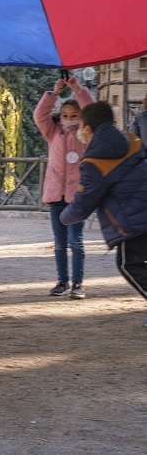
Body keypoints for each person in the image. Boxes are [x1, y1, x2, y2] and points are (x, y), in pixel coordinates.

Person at [60, 101, 147, 327]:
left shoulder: (94, 162)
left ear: (87, 129)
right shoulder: (132, 140)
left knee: (128, 264)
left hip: (136, 220)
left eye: (80, 126)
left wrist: (63, 217)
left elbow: (82, 204)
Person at [33, 76, 95, 298]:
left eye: (74, 116)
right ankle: (61, 281)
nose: (69, 119)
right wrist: (55, 91)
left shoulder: (86, 134)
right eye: (66, 115)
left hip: (77, 196)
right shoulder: (53, 132)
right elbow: (39, 115)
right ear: (60, 116)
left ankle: (77, 284)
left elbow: (93, 110)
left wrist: (78, 89)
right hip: (55, 195)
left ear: (81, 117)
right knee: (59, 243)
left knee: (75, 242)